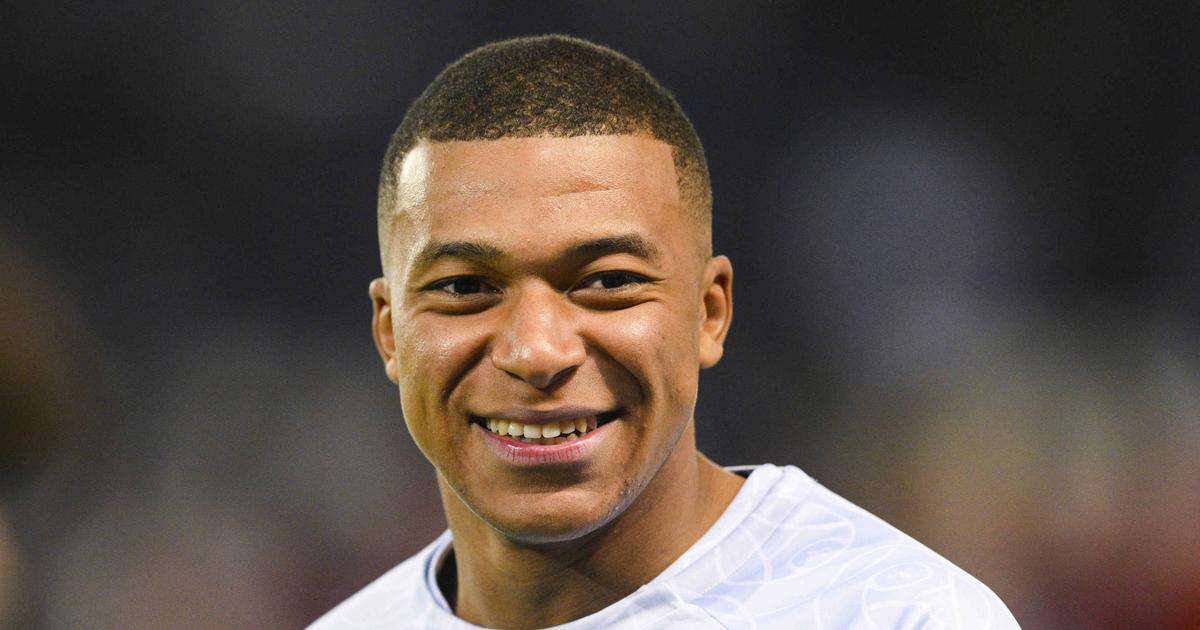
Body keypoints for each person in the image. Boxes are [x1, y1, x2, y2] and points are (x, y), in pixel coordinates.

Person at [311, 35, 1019, 629]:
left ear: (710, 313)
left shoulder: (897, 616)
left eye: (609, 282)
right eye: (465, 288)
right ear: (390, 333)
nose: (536, 351)